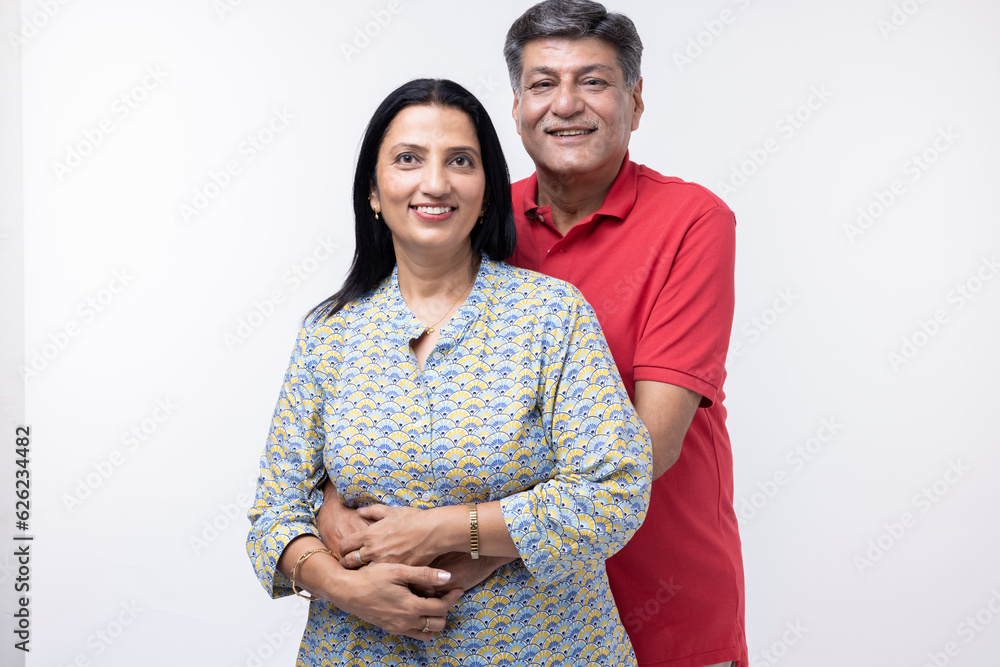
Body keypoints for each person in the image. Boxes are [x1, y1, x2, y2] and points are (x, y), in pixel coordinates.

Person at [246, 77, 653, 666]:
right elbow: (273, 512)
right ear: (373, 191)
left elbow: (615, 489)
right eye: (408, 159)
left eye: (460, 160)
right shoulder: (329, 333)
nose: (435, 183)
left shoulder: (550, 315)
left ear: (487, 192)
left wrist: (443, 530)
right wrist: (343, 587)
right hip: (358, 650)